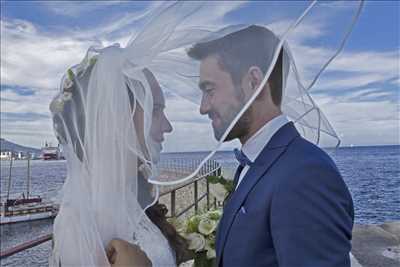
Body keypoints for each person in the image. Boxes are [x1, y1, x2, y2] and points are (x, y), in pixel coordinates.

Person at [187, 25, 354, 267]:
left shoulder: (305, 175)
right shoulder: (257, 162)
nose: (202, 107)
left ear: (254, 82)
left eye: (209, 90)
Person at [50, 46, 190, 266]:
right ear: (117, 117)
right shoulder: (78, 226)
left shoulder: (130, 196)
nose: (168, 126)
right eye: (155, 110)